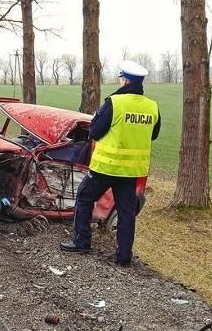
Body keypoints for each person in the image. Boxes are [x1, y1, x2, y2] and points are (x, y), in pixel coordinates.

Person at [59, 60, 161, 266]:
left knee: (85, 197)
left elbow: (95, 132)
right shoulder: (152, 107)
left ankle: (82, 242)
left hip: (106, 167)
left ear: (124, 80)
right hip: (132, 170)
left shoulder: (114, 103)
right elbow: (154, 134)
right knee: (126, 212)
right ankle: (124, 257)